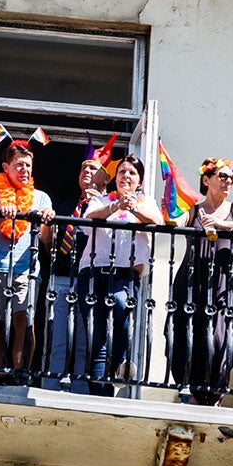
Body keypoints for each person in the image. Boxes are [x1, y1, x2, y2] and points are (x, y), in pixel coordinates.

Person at [167, 157, 233, 405]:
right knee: (189, 336)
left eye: (232, 178)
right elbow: (174, 222)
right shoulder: (194, 210)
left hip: (222, 284)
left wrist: (224, 224)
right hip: (191, 283)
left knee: (221, 340)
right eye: (223, 176)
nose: (228, 181)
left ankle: (214, 396)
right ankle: (194, 397)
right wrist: (170, 208)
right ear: (206, 180)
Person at [74, 156, 165, 395]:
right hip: (93, 274)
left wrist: (133, 207)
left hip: (125, 274)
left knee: (121, 303)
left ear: (140, 180)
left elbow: (158, 223)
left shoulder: (147, 204)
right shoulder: (101, 200)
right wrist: (115, 206)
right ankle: (99, 398)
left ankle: (119, 363)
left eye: (132, 173)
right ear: (115, 178)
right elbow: (87, 222)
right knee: (97, 340)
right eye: (122, 171)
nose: (126, 176)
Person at [0, 138, 54, 384]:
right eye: (19, 165)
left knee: (25, 323)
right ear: (5, 167)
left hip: (26, 270)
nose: (24, 170)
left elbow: (48, 243)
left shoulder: (41, 197)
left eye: (28, 166)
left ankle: (21, 375)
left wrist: (48, 223)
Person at [43, 156, 109, 390]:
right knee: (58, 335)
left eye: (93, 168)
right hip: (62, 275)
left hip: (90, 279)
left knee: (84, 339)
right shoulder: (68, 204)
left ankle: (80, 387)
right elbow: (50, 240)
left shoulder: (110, 204)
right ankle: (51, 384)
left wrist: (100, 203)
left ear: (106, 178)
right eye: (83, 168)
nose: (87, 172)